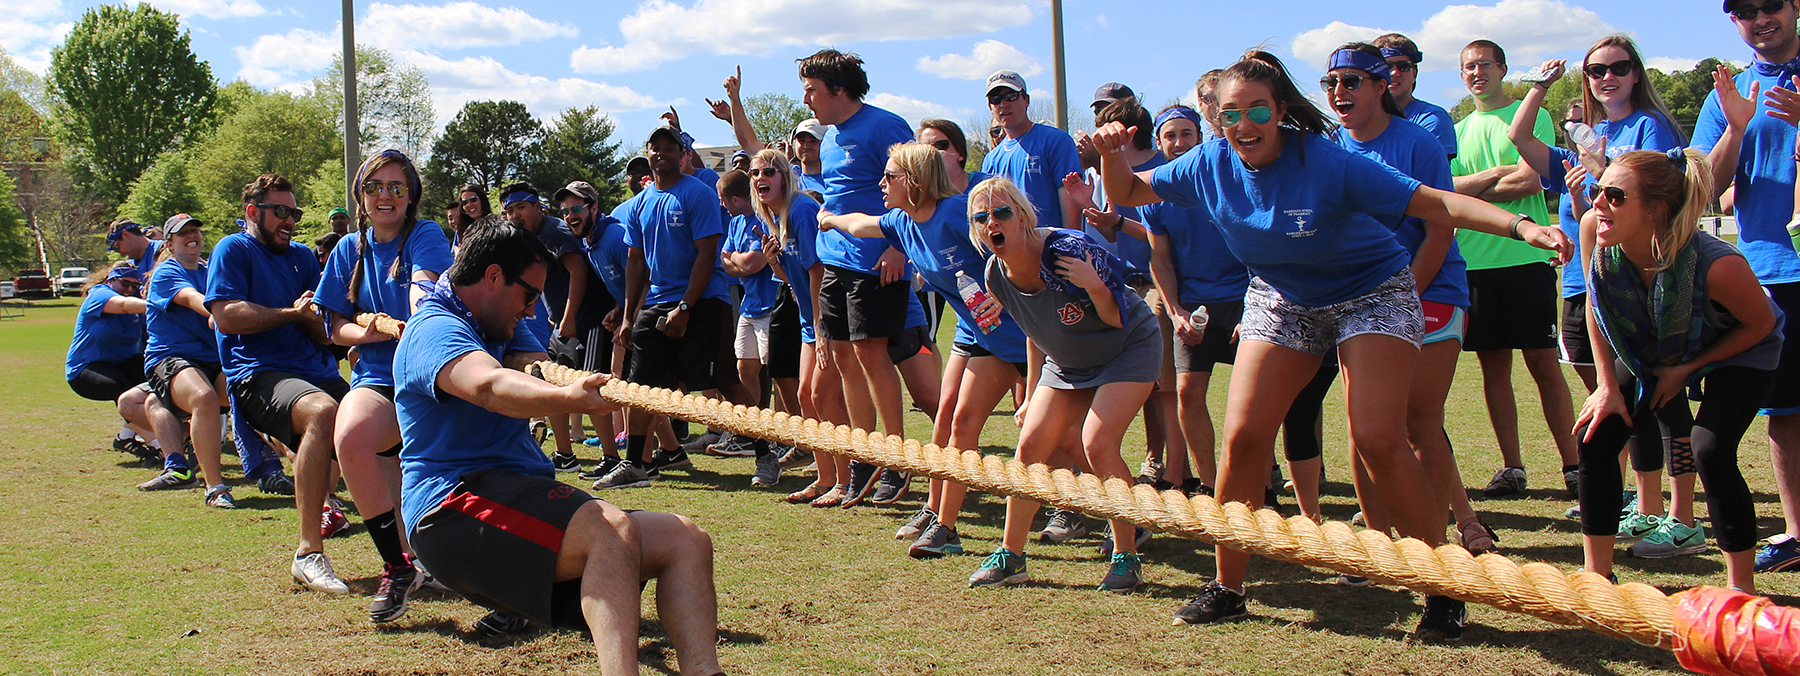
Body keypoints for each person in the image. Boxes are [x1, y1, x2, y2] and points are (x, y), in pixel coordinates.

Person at [1096, 49, 1569, 638]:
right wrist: (1113, 156)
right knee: (1243, 440)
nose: (1244, 126)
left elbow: (1437, 202)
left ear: (1283, 111)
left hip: (1370, 291)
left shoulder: (1327, 161)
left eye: (1258, 112)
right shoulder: (1208, 162)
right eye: (1230, 114)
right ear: (1215, 118)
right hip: (1283, 297)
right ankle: (1227, 586)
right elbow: (1128, 194)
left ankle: (1442, 588)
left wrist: (1525, 225)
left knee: (1377, 437)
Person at [393, 223, 723, 674]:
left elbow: (533, 367)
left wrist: (571, 381)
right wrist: (571, 399)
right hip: (449, 508)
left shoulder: (500, 323)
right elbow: (489, 385)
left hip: (512, 496)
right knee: (610, 530)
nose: (531, 312)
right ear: (492, 278)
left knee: (686, 539)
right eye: (528, 296)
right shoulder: (434, 328)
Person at [1509, 39, 1695, 552]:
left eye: (1618, 68)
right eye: (1595, 70)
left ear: (1637, 73)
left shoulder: (1649, 128)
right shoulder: (1588, 135)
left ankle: (1678, 515)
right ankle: (1640, 502)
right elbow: (1520, 137)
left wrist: (1598, 173)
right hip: (1583, 281)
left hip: (1639, 278)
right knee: (1616, 400)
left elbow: (1654, 198)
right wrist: (1541, 87)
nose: (1605, 77)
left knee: (1662, 398)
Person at [1573, 148, 1784, 594]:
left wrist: (1688, 368)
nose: (1598, 204)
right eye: (1597, 191)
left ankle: (1740, 592)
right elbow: (1596, 303)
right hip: (1658, 347)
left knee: (1710, 448)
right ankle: (1598, 577)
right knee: (1597, 431)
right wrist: (1608, 386)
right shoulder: (1596, 228)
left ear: (1655, 209)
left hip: (1739, 348)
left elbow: (1761, 325)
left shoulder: (1719, 265)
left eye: (1614, 195)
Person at [820, 143, 1030, 558]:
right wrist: (829, 219)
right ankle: (938, 515)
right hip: (975, 335)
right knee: (949, 419)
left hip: (1018, 335)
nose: (881, 183)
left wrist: (1003, 297)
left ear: (914, 181)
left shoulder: (956, 214)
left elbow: (1020, 252)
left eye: (890, 176)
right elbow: (864, 225)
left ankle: (1114, 512)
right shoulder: (903, 222)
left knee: (1065, 441)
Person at [1324, 43, 1492, 558]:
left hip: (1431, 289)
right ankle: (1376, 544)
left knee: (1419, 422)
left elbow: (1441, 227)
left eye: (1352, 81)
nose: (1339, 92)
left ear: (1381, 86)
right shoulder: (1329, 146)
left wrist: (1406, 296)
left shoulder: (1418, 143)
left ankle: (1441, 552)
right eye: (1331, 83)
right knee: (1363, 424)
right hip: (1357, 300)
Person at [959, 175, 1155, 592]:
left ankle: (1127, 555)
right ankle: (1011, 556)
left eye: (1002, 212)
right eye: (982, 217)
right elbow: (1036, 330)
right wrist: (1031, 395)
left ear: (1023, 216)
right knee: (1029, 448)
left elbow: (1117, 318)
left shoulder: (1066, 249)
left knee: (1097, 443)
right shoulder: (996, 273)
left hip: (1126, 346)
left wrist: (1093, 284)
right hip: (1067, 361)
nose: (992, 222)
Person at [313, 150, 455, 622]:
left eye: (397, 187)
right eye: (375, 187)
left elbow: (424, 285)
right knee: (351, 438)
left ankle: (448, 563)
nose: (386, 196)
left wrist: (414, 312)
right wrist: (371, 330)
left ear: (410, 195)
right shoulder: (346, 250)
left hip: (427, 373)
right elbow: (334, 327)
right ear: (361, 195)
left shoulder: (427, 233)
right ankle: (398, 568)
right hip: (376, 374)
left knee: (430, 486)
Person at [1694, 0, 1800, 574]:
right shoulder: (1726, 94)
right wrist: (1736, 127)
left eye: (1770, 5)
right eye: (1744, 11)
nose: (1760, 18)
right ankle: (1796, 530)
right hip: (1770, 270)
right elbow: (1706, 188)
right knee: (1785, 409)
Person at [206, 173, 349, 594]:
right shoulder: (233, 249)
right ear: (253, 212)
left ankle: (408, 556)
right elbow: (227, 315)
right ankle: (309, 554)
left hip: (317, 371)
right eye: (281, 212)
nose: (290, 220)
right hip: (258, 375)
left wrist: (318, 321)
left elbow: (323, 333)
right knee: (323, 412)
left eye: (295, 212)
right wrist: (291, 313)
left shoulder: (304, 258)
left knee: (386, 424)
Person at [1450, 39, 1581, 499]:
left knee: (1545, 364)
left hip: (1526, 257)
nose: (1476, 72)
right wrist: (1492, 177)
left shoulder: (1530, 112)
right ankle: (1512, 468)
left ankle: (1574, 466)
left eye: (1485, 64)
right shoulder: (1458, 128)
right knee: (1493, 368)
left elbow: (1531, 177)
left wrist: (1472, 190)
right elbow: (1448, 189)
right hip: (1475, 262)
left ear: (1502, 68)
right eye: (1468, 66)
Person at [798, 48, 920, 505]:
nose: (807, 100)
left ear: (840, 89)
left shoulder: (886, 125)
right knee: (845, 361)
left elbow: (916, 189)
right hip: (834, 262)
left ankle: (897, 461)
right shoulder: (828, 138)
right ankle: (865, 457)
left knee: (873, 358)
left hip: (875, 261)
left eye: (812, 90)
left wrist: (897, 246)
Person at [601, 124, 733, 491]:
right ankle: (637, 465)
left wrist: (686, 307)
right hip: (657, 304)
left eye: (669, 147)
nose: (661, 153)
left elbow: (707, 255)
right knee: (640, 386)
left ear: (683, 153)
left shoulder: (698, 194)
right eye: (654, 147)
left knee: (725, 381)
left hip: (704, 301)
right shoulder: (640, 204)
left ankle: (764, 450)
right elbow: (635, 263)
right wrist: (628, 317)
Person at [1135, 104, 1249, 500]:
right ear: (1159, 142)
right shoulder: (1154, 195)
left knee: (1253, 398)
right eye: (1170, 135)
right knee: (1186, 394)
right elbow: (1160, 260)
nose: (1179, 143)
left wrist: (1255, 307)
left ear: (1199, 136)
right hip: (1192, 308)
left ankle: (1261, 485)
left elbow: (1258, 246)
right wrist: (1176, 310)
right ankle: (1211, 485)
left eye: (1186, 134)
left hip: (1243, 301)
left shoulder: (1228, 178)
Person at [139, 214, 234, 508]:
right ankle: (215, 487)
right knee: (203, 397)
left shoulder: (209, 269)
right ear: (169, 243)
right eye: (183, 233)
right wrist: (217, 314)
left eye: (195, 231)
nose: (192, 236)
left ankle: (272, 467)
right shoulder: (167, 272)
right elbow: (192, 298)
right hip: (170, 357)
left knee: (249, 392)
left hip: (211, 358)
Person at [500, 181, 591, 471]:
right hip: (560, 321)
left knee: (595, 384)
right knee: (553, 384)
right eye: (510, 210)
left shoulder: (555, 231)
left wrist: (569, 316)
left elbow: (579, 271)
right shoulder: (527, 237)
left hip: (586, 320)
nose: (515, 215)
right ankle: (564, 455)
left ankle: (616, 456)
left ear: (538, 207)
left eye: (521, 208)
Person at [716, 169, 785, 482]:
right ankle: (757, 432)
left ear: (734, 198)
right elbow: (726, 260)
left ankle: (785, 434)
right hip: (749, 307)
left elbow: (753, 263)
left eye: (724, 201)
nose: (723, 206)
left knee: (780, 375)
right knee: (745, 370)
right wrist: (739, 262)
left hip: (772, 306)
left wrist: (738, 261)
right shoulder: (734, 222)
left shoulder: (762, 218)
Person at [551, 180, 623, 472]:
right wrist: (621, 309)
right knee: (634, 386)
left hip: (639, 318)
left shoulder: (615, 236)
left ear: (594, 207)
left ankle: (617, 459)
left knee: (608, 387)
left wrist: (628, 314)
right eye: (565, 211)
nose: (570, 216)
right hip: (618, 318)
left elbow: (644, 277)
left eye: (576, 208)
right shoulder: (589, 241)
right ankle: (666, 452)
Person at [66, 263, 160, 459]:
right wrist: (161, 305)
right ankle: (159, 443)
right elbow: (124, 306)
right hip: (85, 367)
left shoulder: (136, 304)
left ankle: (126, 437)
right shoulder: (100, 294)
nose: (129, 290)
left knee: (157, 382)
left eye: (134, 286)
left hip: (122, 363)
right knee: (125, 391)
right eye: (125, 284)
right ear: (111, 280)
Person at [982, 69, 1082, 232]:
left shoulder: (1056, 141)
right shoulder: (991, 160)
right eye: (996, 99)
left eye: (1011, 96)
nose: (1004, 104)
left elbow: (1071, 203)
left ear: (1026, 100)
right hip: (1013, 252)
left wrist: (1071, 246)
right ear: (990, 107)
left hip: (1051, 248)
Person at [1373, 34, 1458, 159]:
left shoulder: (1433, 118)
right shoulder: (1356, 122)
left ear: (1414, 73)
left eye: (1404, 66)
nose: (1395, 72)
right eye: (1387, 66)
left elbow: (1430, 173)